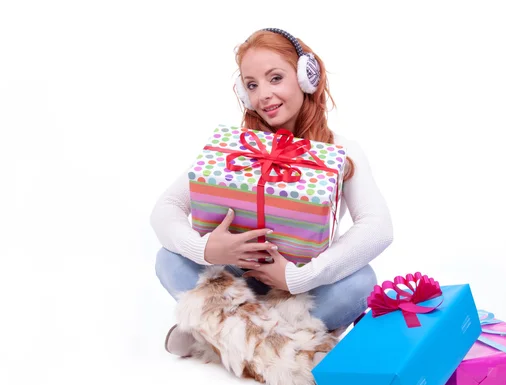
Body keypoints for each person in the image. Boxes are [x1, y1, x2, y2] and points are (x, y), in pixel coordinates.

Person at [151, 28, 394, 357]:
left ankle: (217, 336)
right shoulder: (235, 148)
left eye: (275, 78)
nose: (263, 94)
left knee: (361, 282)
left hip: (301, 291)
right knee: (169, 259)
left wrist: (299, 277)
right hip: (235, 283)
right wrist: (207, 248)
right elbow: (166, 208)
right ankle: (277, 347)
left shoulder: (340, 149)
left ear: (306, 78)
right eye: (252, 84)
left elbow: (378, 227)